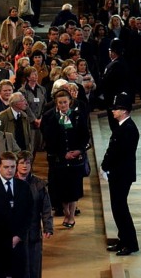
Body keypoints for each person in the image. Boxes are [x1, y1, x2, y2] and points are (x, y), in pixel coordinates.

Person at [40, 88, 90, 229]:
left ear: (70, 102)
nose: (63, 105)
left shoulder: (78, 115)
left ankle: (71, 216)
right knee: (61, 189)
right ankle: (66, 211)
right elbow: (48, 139)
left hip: (75, 159)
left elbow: (85, 135)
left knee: (73, 188)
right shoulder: (49, 116)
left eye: (65, 102)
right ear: (56, 104)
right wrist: (62, 154)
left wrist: (79, 150)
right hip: (58, 160)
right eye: (60, 103)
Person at [101, 91, 140, 256]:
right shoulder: (123, 127)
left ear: (124, 110)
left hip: (121, 174)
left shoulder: (128, 129)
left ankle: (130, 243)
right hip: (118, 173)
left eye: (116, 109)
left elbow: (119, 152)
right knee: (117, 208)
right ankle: (123, 239)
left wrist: (105, 166)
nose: (113, 111)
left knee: (120, 208)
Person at [16, 151, 53, 278]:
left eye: (27, 163)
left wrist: (48, 226)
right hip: (16, 233)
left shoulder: (39, 184)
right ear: (17, 165)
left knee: (34, 265)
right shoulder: (10, 184)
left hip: (33, 232)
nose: (24, 166)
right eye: (21, 163)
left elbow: (46, 207)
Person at [0, 151, 31, 278]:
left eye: (12, 167)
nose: (9, 170)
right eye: (6, 167)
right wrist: (4, 241)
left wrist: (18, 236)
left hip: (19, 244)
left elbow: (29, 214)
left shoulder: (24, 187)